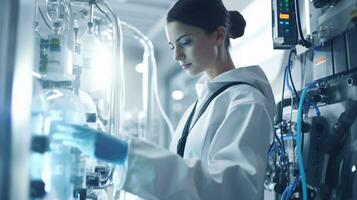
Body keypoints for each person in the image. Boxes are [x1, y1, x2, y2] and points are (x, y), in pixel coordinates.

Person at [53, 0, 276, 199]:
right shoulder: (199, 107)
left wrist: (128, 156)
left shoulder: (246, 101)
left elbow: (232, 190)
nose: (176, 55)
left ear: (219, 35)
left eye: (185, 42)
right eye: (172, 46)